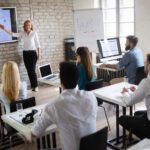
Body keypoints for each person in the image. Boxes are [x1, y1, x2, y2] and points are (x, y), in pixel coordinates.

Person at [31, 62, 98, 150]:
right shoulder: (91, 97)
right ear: (78, 79)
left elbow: (35, 133)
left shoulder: (54, 105)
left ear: (60, 80)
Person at [0, 20, 40, 92]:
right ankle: (33, 86)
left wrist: (39, 55)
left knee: (32, 71)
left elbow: (38, 44)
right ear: (24, 26)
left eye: (29, 25)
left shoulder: (34, 33)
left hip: (33, 54)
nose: (28, 26)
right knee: (28, 71)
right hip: (25, 54)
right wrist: (4, 28)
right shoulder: (23, 33)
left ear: (31, 26)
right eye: (26, 25)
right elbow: (13, 34)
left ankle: (36, 86)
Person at [119, 53, 150, 139]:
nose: (144, 64)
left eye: (146, 62)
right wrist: (138, 91)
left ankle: (146, 139)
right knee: (137, 113)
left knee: (122, 119)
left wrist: (125, 92)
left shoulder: (147, 82)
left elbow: (129, 102)